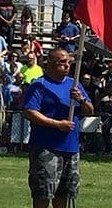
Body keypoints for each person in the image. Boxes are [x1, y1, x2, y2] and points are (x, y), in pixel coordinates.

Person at [23, 48, 94, 208]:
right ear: (50, 63)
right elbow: (29, 112)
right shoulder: (39, 85)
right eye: (62, 62)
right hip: (46, 147)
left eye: (69, 62)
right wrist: (57, 124)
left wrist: (81, 100)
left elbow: (89, 111)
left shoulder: (74, 84)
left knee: (64, 193)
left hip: (70, 147)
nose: (67, 65)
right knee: (43, 192)